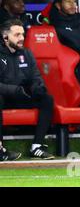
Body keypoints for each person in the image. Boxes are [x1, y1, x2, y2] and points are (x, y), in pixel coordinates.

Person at [0, 19, 54, 161]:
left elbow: (36, 76)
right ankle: (0, 149)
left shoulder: (27, 54)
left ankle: (37, 146)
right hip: (5, 97)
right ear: (5, 37)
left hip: (21, 95)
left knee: (46, 99)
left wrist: (38, 88)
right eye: (17, 35)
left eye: (23, 34)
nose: (22, 38)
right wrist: (14, 90)